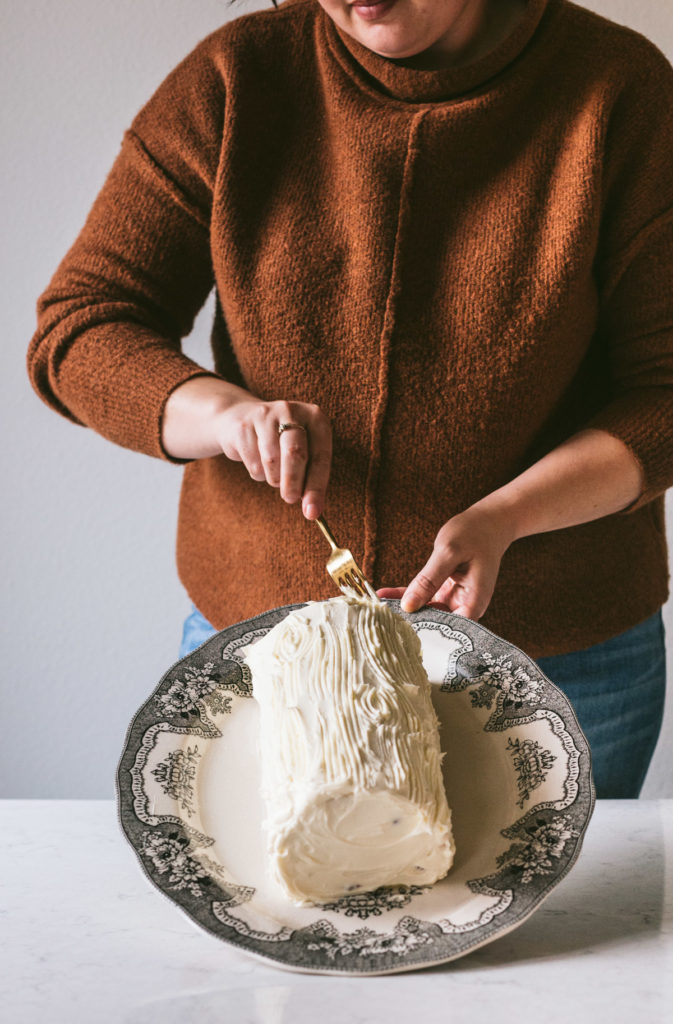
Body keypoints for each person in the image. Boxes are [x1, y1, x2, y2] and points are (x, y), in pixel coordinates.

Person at [28, 0, 673, 797]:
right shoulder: (237, 77)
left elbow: (663, 392)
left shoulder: (618, 89)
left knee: (569, 926)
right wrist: (222, 416)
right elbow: (82, 327)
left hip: (560, 660)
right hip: (270, 651)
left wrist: (505, 517)